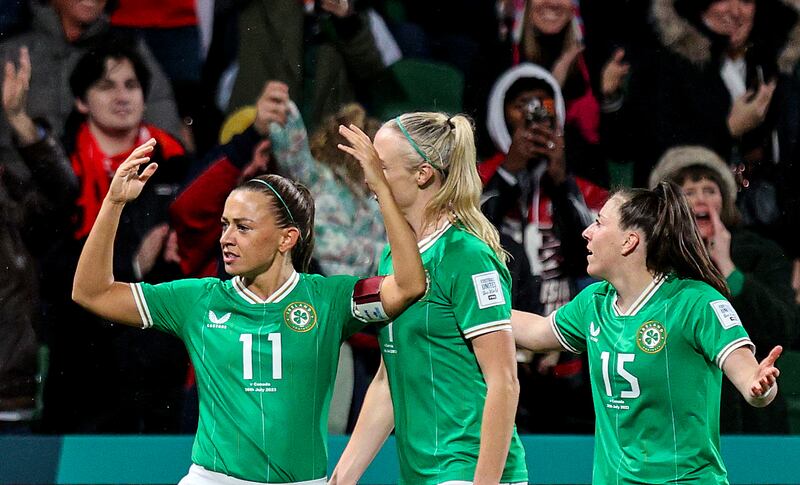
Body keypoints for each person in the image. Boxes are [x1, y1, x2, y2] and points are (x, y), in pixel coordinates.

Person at [71, 121, 426, 483]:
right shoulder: (198, 299)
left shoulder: (329, 299)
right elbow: (91, 292)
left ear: (287, 239)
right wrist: (113, 203)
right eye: (225, 225)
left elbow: (409, 285)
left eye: (243, 227)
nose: (226, 238)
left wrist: (381, 188)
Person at [511, 181, 783, 484]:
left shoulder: (696, 303)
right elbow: (536, 331)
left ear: (629, 241)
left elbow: (750, 379)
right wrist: (474, 310)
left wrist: (761, 386)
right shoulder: (594, 302)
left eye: (599, 223)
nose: (587, 232)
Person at [331, 113, 528, 485]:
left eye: (381, 166)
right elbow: (387, 382)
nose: (370, 178)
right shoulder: (394, 258)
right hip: (421, 474)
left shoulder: (465, 255)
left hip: (468, 470)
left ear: (422, 174)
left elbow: (504, 381)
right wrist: (342, 477)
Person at [481, 64, 606, 433]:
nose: (533, 115)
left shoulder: (579, 187)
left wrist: (561, 179)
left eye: (543, 107)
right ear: (502, 111)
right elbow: (470, 233)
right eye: (522, 105)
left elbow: (593, 255)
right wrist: (510, 169)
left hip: (569, 355)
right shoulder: (476, 177)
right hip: (499, 347)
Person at [649, 145, 797, 433]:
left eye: (709, 189)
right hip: (678, 415)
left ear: (725, 200)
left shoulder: (761, 253)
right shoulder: (653, 260)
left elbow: (784, 328)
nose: (700, 199)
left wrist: (728, 268)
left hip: (752, 416)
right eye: (688, 193)